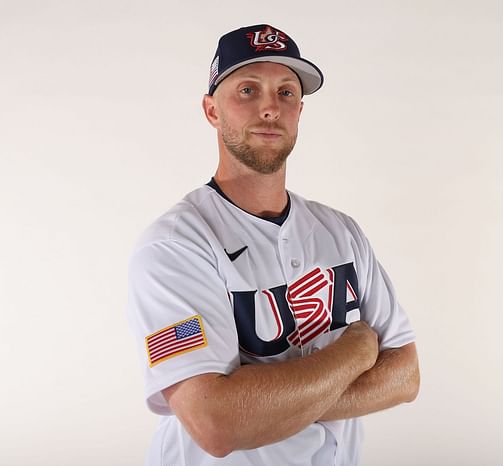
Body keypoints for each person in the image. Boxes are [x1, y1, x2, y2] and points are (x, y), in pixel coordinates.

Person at [127, 24, 419, 466]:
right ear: (211, 110)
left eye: (285, 93)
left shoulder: (341, 232)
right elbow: (216, 424)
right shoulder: (173, 248)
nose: (269, 108)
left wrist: (264, 403)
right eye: (247, 90)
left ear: (299, 111)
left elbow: (405, 376)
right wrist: (356, 351)